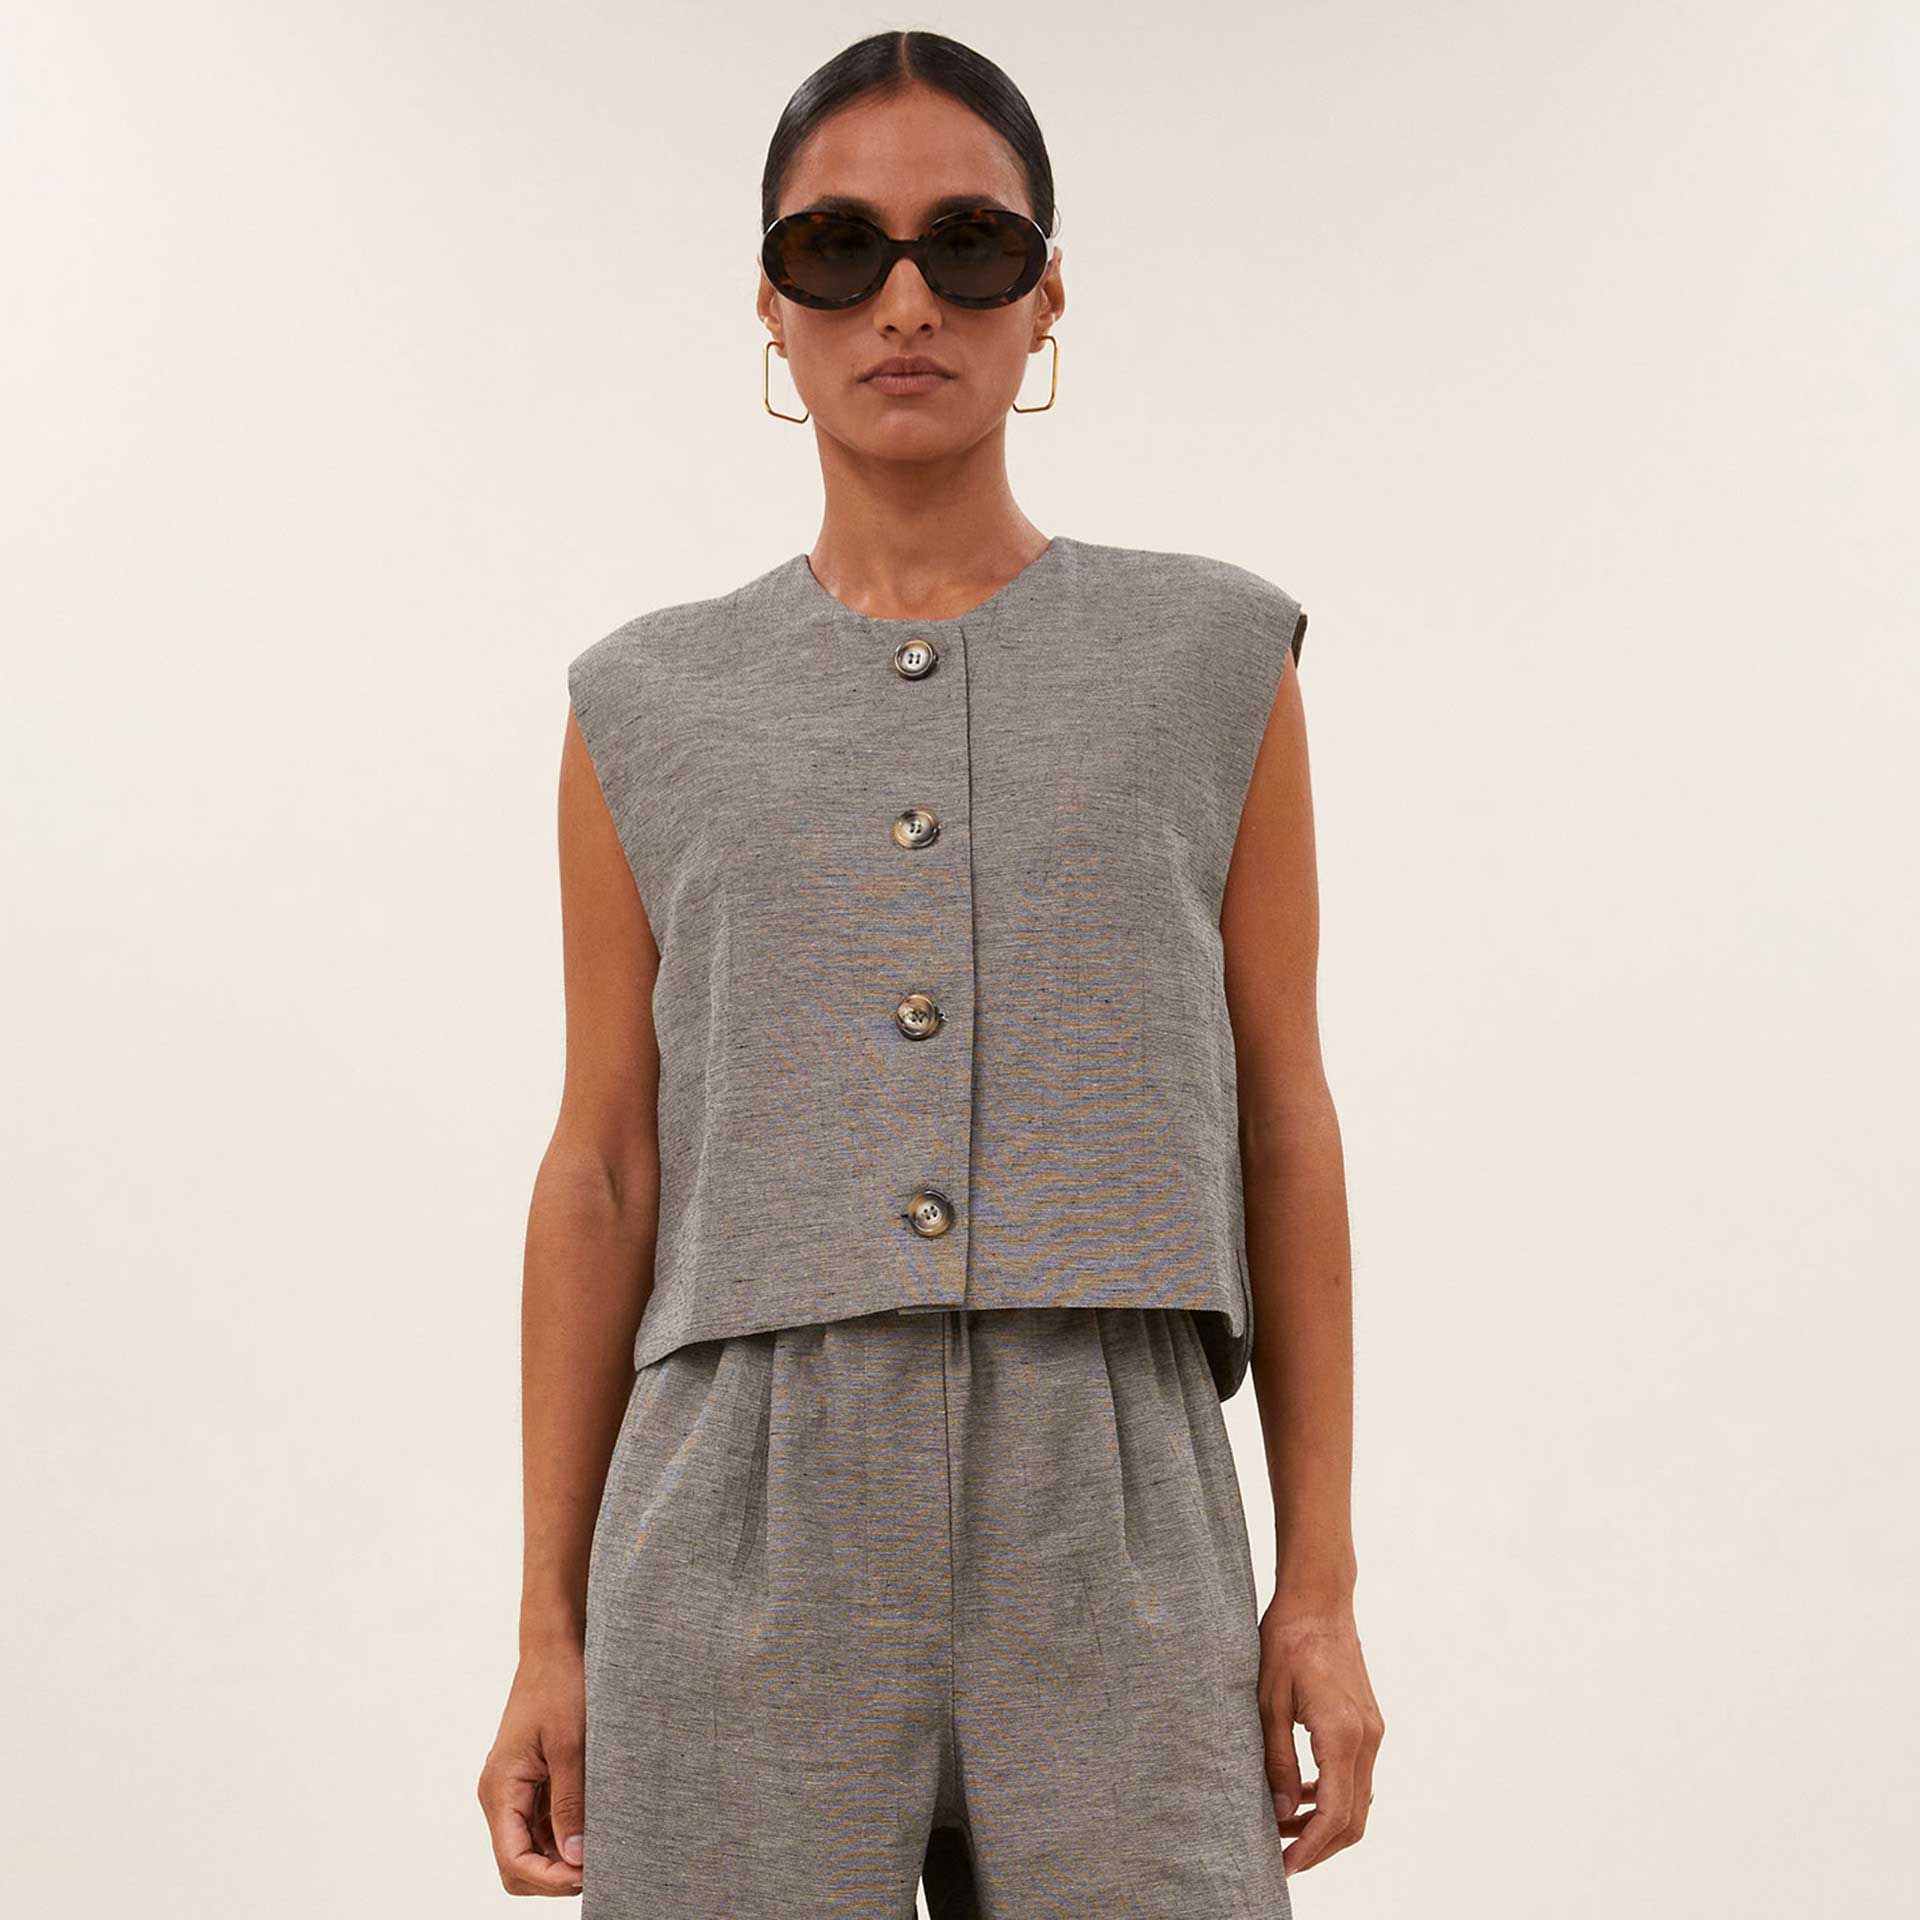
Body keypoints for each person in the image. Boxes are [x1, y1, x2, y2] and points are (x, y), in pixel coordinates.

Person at [477, 27, 1383, 1916]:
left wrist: (1319, 1581)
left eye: (970, 245)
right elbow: (605, 1164)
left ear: (1047, 296)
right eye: (839, 249)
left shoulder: (1214, 660)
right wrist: (547, 1629)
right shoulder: (644, 701)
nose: (906, 301)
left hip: (1116, 1499)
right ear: (769, 302)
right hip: (740, 1514)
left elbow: (1283, 1116)